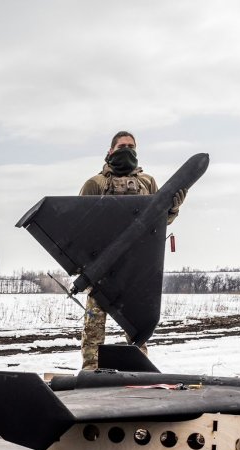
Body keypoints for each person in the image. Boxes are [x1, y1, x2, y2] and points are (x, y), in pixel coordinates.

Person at [77, 131, 184, 370]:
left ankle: (139, 367)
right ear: (110, 150)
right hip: (103, 266)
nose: (127, 149)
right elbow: (80, 224)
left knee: (136, 321)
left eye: (131, 146)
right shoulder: (95, 184)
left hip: (137, 265)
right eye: (122, 145)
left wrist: (173, 208)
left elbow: (160, 221)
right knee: (94, 323)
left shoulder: (148, 183)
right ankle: (91, 367)